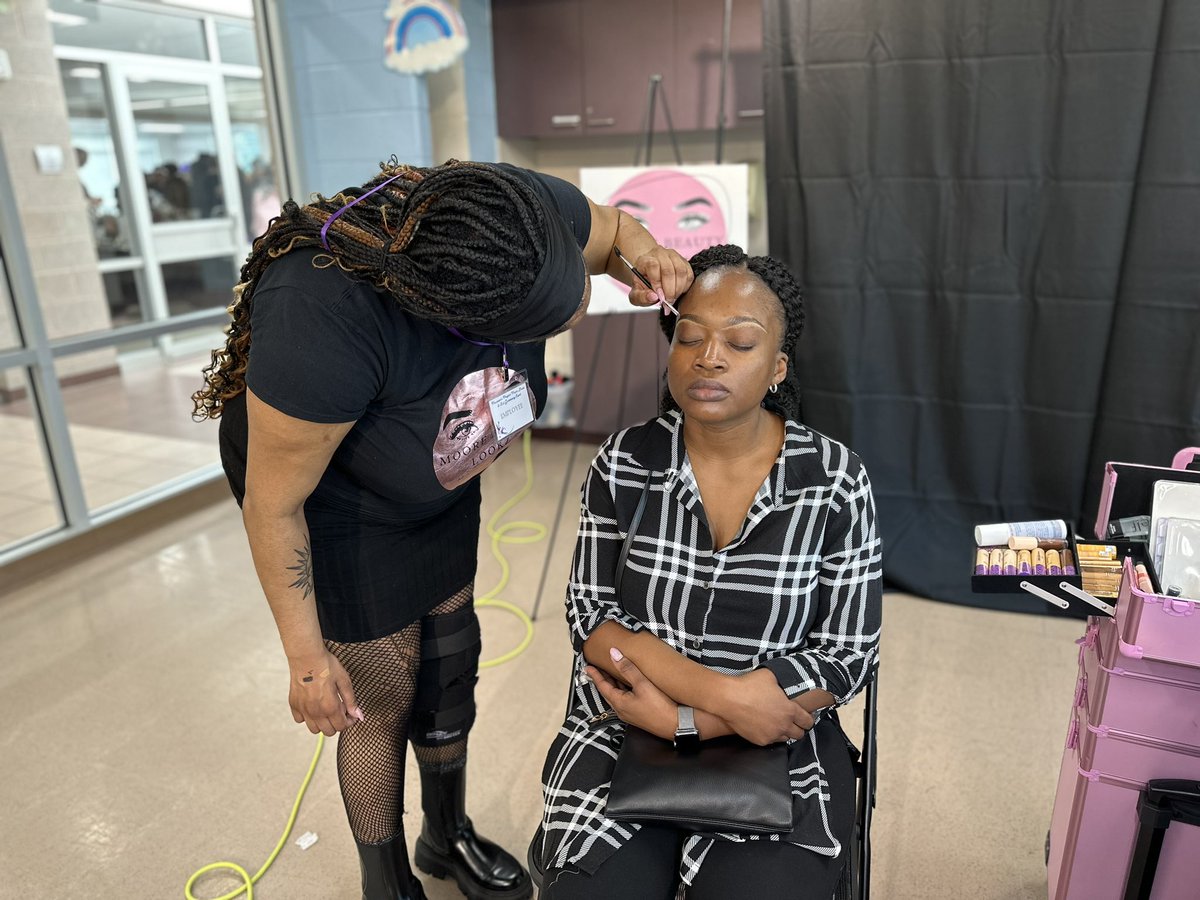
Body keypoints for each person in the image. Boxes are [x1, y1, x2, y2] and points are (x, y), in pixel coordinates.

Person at [192, 158, 692, 900]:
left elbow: (614, 228)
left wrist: (642, 248)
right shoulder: (324, 314)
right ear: (460, 318)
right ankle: (385, 878)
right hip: (342, 511)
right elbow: (273, 506)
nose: (576, 319)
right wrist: (305, 659)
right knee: (380, 689)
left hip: (437, 481)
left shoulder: (518, 213)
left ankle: (444, 834)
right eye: (546, 323)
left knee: (450, 661)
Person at [537, 245, 882, 899]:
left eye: (740, 343)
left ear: (778, 367)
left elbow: (847, 655)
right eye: (689, 337)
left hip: (779, 738)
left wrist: (718, 718)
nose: (709, 356)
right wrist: (707, 708)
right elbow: (592, 621)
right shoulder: (624, 461)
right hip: (627, 724)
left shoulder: (836, 479)